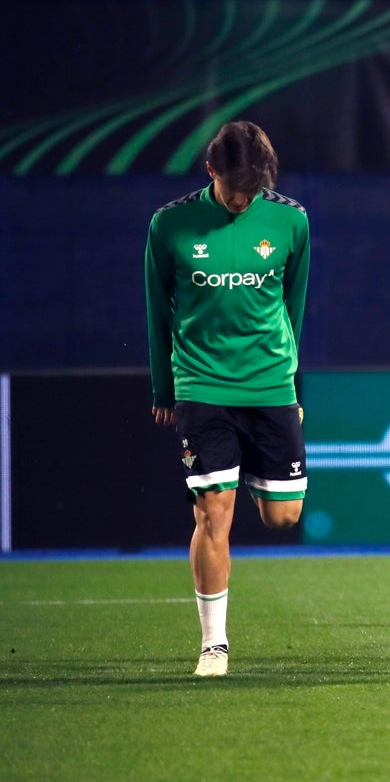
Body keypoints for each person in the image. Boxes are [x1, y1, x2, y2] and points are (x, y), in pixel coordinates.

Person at [144, 121, 311, 677]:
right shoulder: (170, 225)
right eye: (237, 189)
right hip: (202, 384)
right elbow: (157, 309)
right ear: (211, 171)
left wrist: (294, 387)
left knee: (283, 518)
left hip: (269, 385)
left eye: (255, 190)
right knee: (214, 512)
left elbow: (294, 306)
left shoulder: (290, 219)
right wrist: (164, 388)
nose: (245, 201)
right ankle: (213, 646)